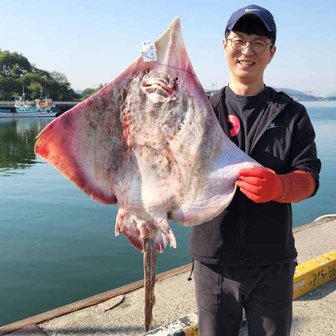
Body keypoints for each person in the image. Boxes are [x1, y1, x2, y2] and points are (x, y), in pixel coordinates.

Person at [189, 5, 321, 336]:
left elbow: (309, 178)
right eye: (239, 39)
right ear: (224, 45)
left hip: (273, 262)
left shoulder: (292, 114)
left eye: (259, 42)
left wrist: (280, 187)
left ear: (271, 53)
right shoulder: (200, 111)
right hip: (213, 260)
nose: (247, 50)